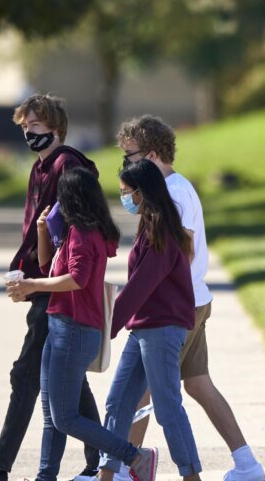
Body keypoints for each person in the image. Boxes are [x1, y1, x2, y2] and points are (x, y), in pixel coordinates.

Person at [0, 93, 103, 481]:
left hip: (55, 286)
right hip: (42, 282)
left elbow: (70, 231)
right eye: (25, 126)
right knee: (69, 379)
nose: (28, 132)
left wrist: (34, 281)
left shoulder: (67, 166)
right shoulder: (41, 167)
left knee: (26, 376)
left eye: (35, 125)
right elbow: (37, 226)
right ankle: (102, 462)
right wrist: (23, 269)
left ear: (55, 128)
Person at [114, 116, 265, 481]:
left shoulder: (174, 193)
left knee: (143, 391)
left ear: (152, 155)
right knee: (197, 383)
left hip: (176, 309)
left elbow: (178, 253)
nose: (125, 165)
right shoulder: (170, 188)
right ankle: (247, 464)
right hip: (194, 302)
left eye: (130, 156)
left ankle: (124, 469)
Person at [5, 167, 158, 481]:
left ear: (70, 197)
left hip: (74, 330)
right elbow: (51, 269)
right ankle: (45, 477)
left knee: (66, 418)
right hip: (60, 326)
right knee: (52, 414)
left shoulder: (84, 234)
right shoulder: (76, 230)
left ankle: (134, 456)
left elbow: (77, 279)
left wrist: (31, 286)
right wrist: (43, 231)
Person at [98, 159, 203, 481]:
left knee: (169, 409)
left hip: (161, 329)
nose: (124, 199)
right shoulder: (151, 226)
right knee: (117, 404)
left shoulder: (162, 233)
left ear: (143, 193)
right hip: (144, 328)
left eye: (126, 192)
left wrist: (105, 329)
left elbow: (140, 286)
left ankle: (191, 476)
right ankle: (105, 474)